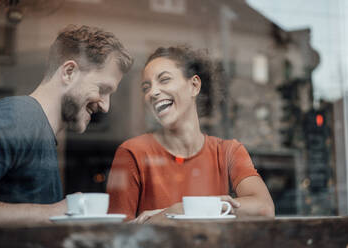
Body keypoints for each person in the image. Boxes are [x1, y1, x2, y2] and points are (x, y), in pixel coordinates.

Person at [106, 45, 274, 223]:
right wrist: (175, 213)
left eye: (164, 80)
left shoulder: (229, 151)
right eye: (146, 87)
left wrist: (182, 211)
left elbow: (264, 208)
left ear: (194, 86)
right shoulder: (132, 152)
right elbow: (117, 234)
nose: (152, 92)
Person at [0, 25, 133, 225]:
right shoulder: (20, 118)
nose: (106, 106)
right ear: (69, 72)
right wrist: (56, 213)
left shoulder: (39, 130)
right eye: (102, 89)